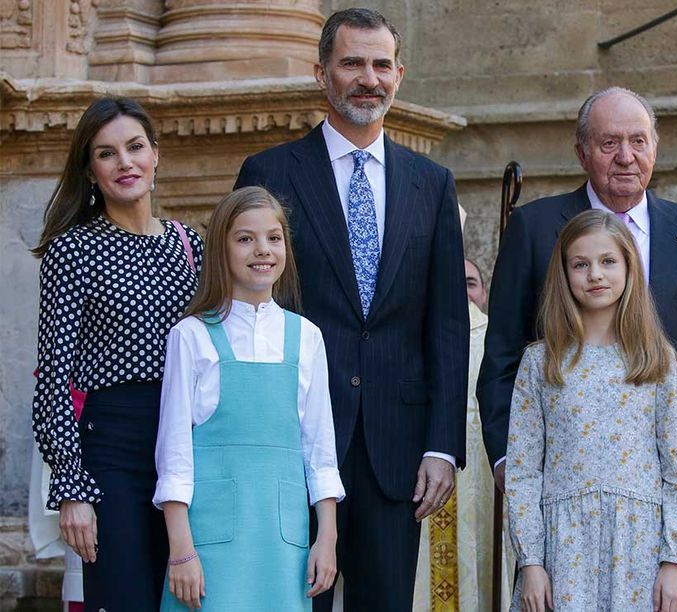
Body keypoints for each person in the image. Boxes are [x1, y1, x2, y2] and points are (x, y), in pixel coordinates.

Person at [233, 8, 469, 609]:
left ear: (399, 74)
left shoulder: (432, 182)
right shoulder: (270, 172)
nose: (369, 78)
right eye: (352, 63)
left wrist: (443, 444)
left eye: (381, 64)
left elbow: (447, 322)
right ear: (322, 73)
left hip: (398, 449)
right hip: (293, 438)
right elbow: (248, 306)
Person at [478, 86, 677, 598]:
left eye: (638, 141)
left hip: (673, 492)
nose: (626, 156)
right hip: (560, 506)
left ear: (655, 147)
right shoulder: (535, 229)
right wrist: (508, 464)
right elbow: (500, 361)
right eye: (609, 143)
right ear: (582, 151)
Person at [31, 96, 203, 611]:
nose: (125, 162)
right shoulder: (72, 249)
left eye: (134, 147)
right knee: (127, 599)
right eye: (106, 154)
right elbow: (54, 379)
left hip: (190, 444)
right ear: (90, 171)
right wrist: (72, 487)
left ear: (156, 155)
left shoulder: (190, 244)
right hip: (113, 452)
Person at [153, 187, 344, 610]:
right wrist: (181, 550)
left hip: (283, 543)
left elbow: (319, 452)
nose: (262, 250)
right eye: (245, 238)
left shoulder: (306, 338)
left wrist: (326, 538)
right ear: (221, 249)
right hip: (208, 543)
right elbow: (175, 455)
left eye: (273, 238)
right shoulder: (192, 336)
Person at [505, 210, 677, 612]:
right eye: (581, 264)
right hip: (564, 554)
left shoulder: (655, 360)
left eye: (608, 261)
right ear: (565, 273)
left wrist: (674, 560)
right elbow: (523, 473)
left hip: (641, 551)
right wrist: (532, 563)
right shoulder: (541, 363)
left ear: (629, 267)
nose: (595, 274)